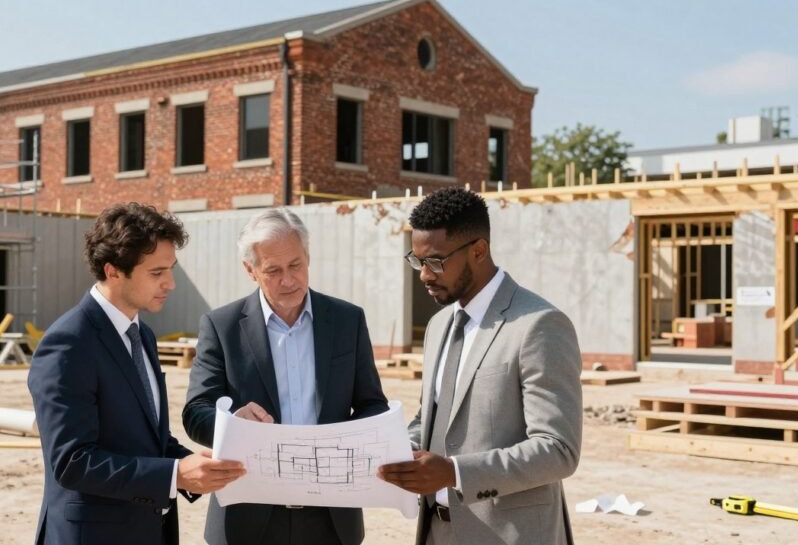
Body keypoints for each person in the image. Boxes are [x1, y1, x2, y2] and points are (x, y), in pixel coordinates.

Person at [28, 203, 245, 545]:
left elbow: (146, 438)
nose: (170, 284)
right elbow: (72, 462)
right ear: (113, 271)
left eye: (171, 270)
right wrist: (176, 475)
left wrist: (191, 462)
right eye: (157, 273)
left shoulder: (141, 334)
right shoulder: (69, 343)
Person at [378, 187, 582, 545]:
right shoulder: (440, 325)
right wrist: (391, 450)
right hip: (436, 531)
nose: (424, 275)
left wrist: (454, 473)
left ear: (478, 250)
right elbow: (434, 417)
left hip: (510, 536)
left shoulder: (539, 324)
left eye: (436, 261)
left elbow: (558, 450)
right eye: (417, 260)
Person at [183, 208, 389, 545]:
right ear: (250, 270)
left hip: (332, 517)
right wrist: (233, 421)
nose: (288, 280)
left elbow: (372, 405)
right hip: (247, 518)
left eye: (295, 265)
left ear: (308, 257)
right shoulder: (221, 326)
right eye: (273, 271)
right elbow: (195, 412)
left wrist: (356, 441)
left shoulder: (347, 320)